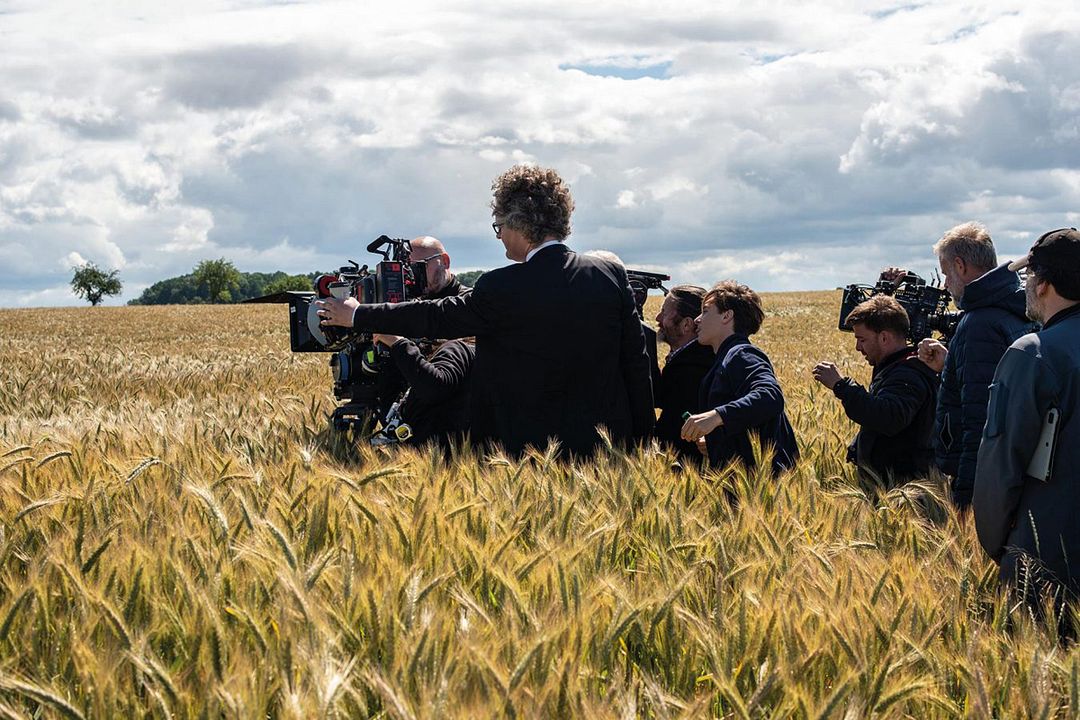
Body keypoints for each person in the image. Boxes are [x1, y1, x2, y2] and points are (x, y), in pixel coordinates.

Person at [317, 164, 654, 457]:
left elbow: (438, 316)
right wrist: (644, 440)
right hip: (609, 442)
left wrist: (358, 314)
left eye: (500, 227)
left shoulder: (502, 286)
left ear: (519, 224)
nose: (499, 237)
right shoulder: (609, 274)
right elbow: (636, 365)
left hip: (528, 450)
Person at [973, 227, 1080, 631]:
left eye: (1030, 278)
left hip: (1047, 564)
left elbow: (1000, 467)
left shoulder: (1033, 354)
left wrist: (1004, 550)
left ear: (1046, 285)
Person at [926, 222, 1036, 509]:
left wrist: (966, 496)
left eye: (946, 273)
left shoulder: (979, 324)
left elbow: (979, 420)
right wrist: (950, 365)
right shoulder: (1017, 309)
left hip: (986, 480)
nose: (946, 284)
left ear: (960, 266)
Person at [813, 295, 938, 485]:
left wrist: (841, 386)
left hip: (903, 492)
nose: (857, 347)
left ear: (884, 337)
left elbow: (889, 417)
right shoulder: (894, 367)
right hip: (891, 486)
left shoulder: (907, 374)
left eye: (861, 339)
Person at [680, 281, 798, 474]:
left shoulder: (741, 355)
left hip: (759, 486)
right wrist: (715, 441)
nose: (697, 319)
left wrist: (717, 416)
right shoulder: (727, 357)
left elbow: (770, 395)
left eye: (706, 311)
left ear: (727, 316)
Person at [371, 236, 474, 448]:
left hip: (453, 434)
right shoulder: (406, 310)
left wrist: (400, 343)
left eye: (419, 267)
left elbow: (447, 377)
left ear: (444, 261)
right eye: (406, 269)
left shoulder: (469, 306)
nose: (412, 277)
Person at [652, 285, 714, 462]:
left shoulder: (691, 368)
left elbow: (663, 404)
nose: (658, 318)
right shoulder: (698, 358)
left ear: (686, 324)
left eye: (664, 312)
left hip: (682, 465)